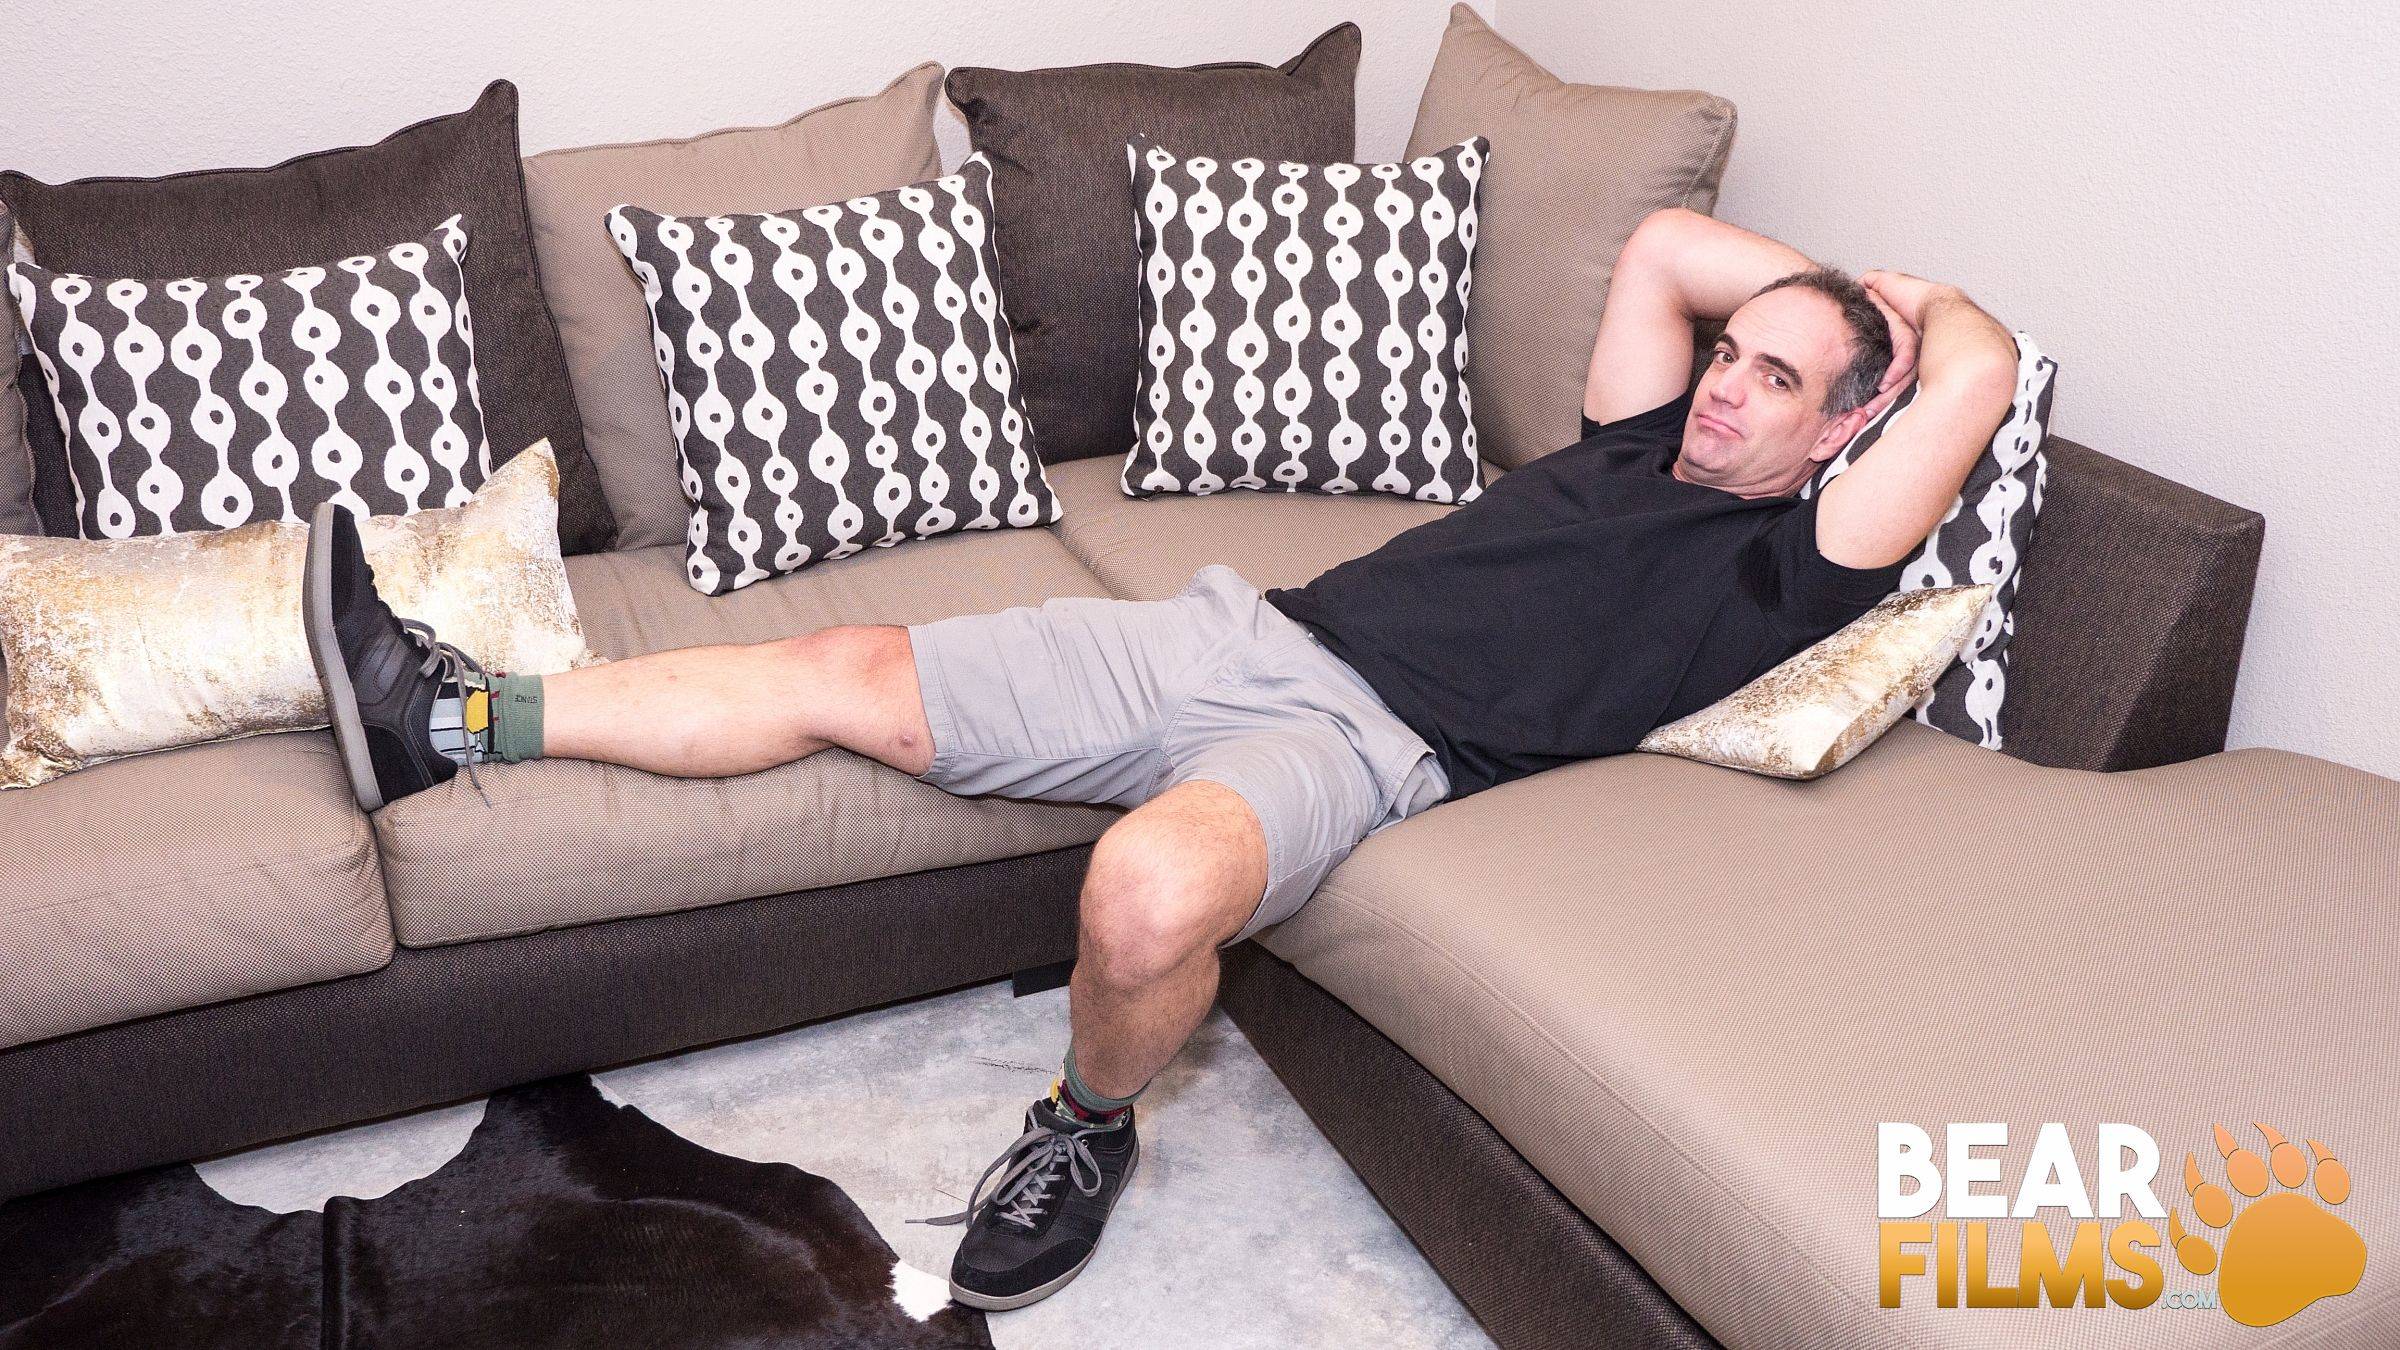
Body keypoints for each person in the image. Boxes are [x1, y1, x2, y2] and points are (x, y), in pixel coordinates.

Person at [299, 207, 2019, 1312]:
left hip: (1369, 740)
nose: (1723, 388)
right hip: (1237, 630)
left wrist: (1911, 308)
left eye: (1774, 378)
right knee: (844, 669)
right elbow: (1655, 241)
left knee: (1139, 896)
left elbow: (1981, 372)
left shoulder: (1797, 560)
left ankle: (1084, 1124)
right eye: (1728, 355)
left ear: (1847, 426)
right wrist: (1816, 294)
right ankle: (450, 715)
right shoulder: (1641, 425)